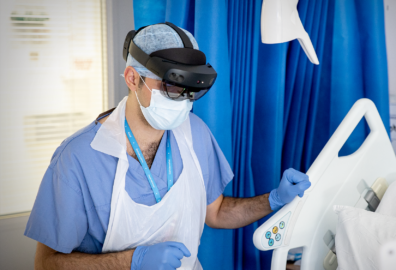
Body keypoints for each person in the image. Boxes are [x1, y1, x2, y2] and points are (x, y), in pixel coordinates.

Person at [25, 23, 311, 270]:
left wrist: (273, 199)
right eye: (172, 87)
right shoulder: (78, 158)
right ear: (132, 78)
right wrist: (131, 262)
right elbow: (47, 263)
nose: (182, 101)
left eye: (190, 90)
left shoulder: (195, 133)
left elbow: (216, 211)